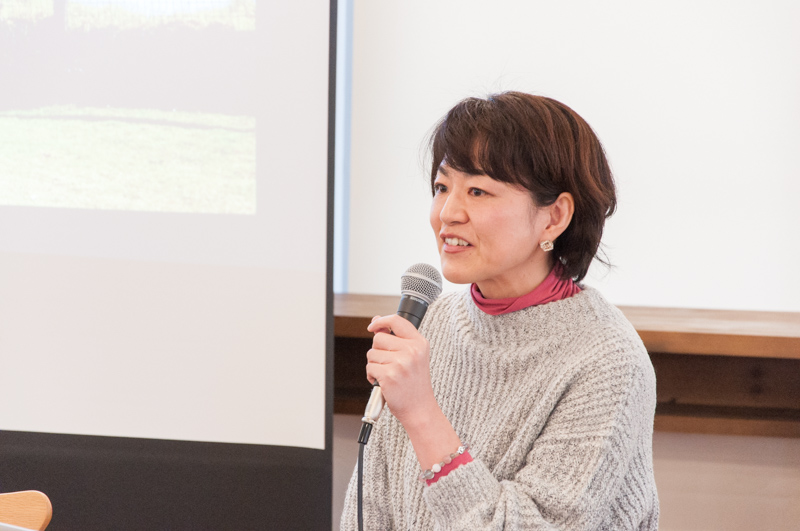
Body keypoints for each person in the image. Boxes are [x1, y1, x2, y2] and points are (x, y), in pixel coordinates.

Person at [341, 92, 659, 530]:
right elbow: (369, 509)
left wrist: (422, 414)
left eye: (478, 191)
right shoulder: (429, 324)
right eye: (442, 187)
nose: (447, 213)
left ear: (554, 217)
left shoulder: (608, 362)